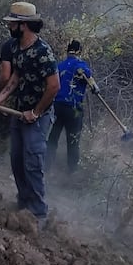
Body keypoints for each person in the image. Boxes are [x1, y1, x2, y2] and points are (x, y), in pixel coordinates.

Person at [0, 2, 59, 227]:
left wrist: (36, 112)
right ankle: (23, 202)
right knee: (16, 159)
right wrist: (2, 97)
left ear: (24, 25)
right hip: (18, 111)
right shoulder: (17, 47)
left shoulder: (43, 52)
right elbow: (17, 75)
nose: (10, 27)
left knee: (32, 161)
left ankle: (38, 214)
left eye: (13, 24)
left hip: (38, 116)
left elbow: (54, 86)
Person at [46, 40, 93, 173]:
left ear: (67, 51)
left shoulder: (59, 66)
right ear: (80, 52)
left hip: (56, 107)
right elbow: (93, 85)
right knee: (73, 142)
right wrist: (95, 87)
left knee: (52, 139)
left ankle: (45, 169)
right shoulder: (81, 66)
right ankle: (71, 174)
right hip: (73, 109)